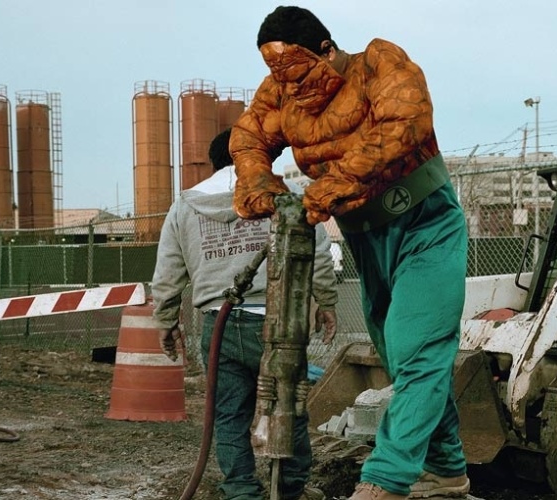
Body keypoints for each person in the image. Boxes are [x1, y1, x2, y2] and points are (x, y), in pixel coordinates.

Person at [230, 6, 470, 500]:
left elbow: (405, 123)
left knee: (418, 349)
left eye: (296, 73)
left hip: (425, 222)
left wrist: (335, 182)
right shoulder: (280, 92)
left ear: (326, 50)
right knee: (401, 356)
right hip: (364, 236)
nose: (290, 87)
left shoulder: (378, 64)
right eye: (278, 76)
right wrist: (259, 182)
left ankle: (386, 477)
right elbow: (249, 136)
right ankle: (446, 469)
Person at [151, 128, 338, 500]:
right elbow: (316, 251)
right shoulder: (282, 197)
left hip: (216, 326)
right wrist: (326, 301)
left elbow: (168, 271)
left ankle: (241, 491)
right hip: (277, 324)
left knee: (229, 414)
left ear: (214, 160)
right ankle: (290, 489)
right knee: (290, 407)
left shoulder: (185, 207)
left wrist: (166, 320)